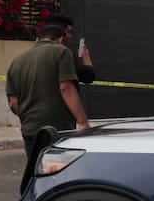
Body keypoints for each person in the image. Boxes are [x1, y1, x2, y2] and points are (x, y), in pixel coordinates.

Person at [6, 20, 91, 157]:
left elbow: (14, 102)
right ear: (61, 39)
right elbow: (66, 87)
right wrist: (83, 122)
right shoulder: (61, 52)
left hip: (30, 129)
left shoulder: (17, 60)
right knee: (59, 171)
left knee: (38, 172)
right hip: (57, 129)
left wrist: (29, 118)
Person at [41, 13, 96, 84]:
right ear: (61, 35)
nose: (70, 36)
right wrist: (86, 57)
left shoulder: (30, 55)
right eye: (68, 32)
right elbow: (88, 76)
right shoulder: (63, 54)